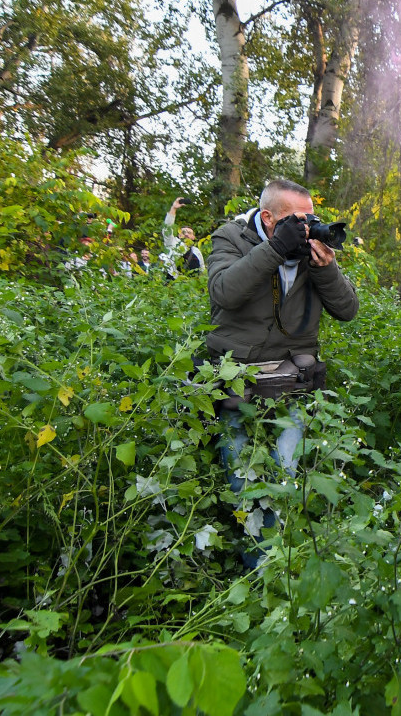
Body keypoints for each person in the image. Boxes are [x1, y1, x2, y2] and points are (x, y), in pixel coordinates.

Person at [205, 179, 359, 566]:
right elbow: (224, 291)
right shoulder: (230, 237)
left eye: (311, 219)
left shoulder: (311, 251)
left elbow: (347, 310)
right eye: (296, 220)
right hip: (237, 381)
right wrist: (274, 249)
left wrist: (326, 268)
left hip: (293, 381)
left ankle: (278, 566)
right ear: (268, 217)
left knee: (285, 472)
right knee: (244, 481)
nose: (305, 228)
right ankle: (258, 572)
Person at [162, 197, 205, 276]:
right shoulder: (172, 244)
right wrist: (173, 208)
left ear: (193, 237)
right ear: (179, 235)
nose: (186, 234)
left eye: (189, 233)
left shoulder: (196, 251)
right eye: (183, 232)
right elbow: (167, 229)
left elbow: (202, 270)